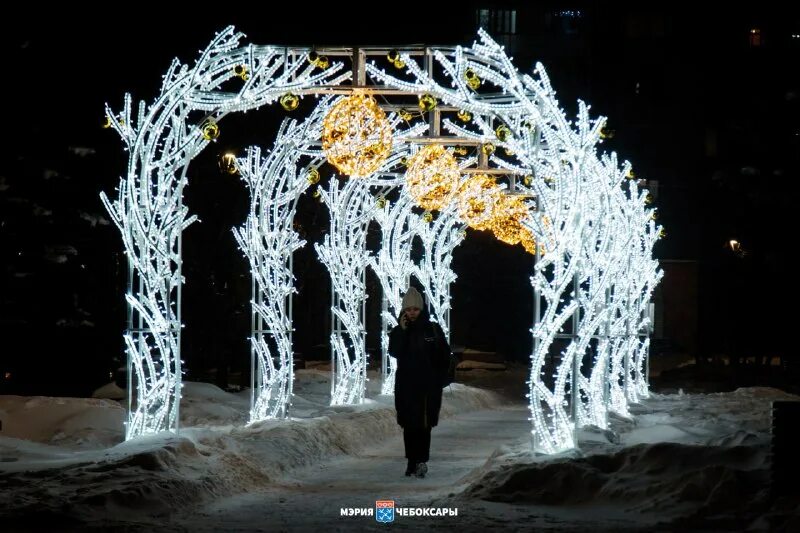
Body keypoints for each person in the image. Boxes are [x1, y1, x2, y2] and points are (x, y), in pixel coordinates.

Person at [388, 287, 451, 478]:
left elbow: (444, 355)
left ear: (421, 309)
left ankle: (421, 460)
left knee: (424, 424)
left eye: (415, 309)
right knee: (409, 424)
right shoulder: (399, 331)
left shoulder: (432, 329)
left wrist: (438, 377)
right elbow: (395, 352)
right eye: (408, 309)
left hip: (428, 386)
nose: (411, 313)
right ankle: (411, 460)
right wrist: (403, 332)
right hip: (406, 385)